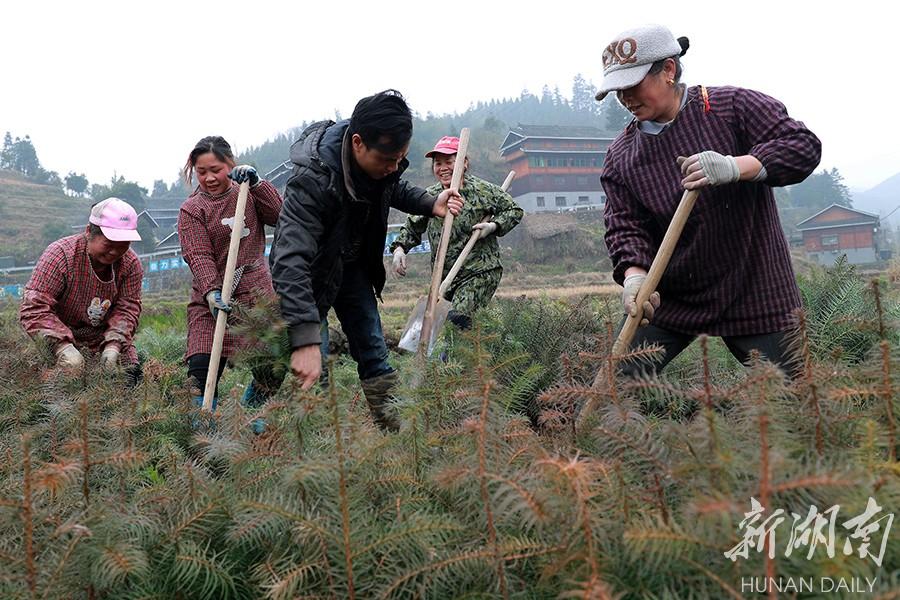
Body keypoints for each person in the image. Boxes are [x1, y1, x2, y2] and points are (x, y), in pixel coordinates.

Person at [596, 24, 821, 377]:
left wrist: (737, 166)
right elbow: (625, 226)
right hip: (673, 294)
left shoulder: (731, 107)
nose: (625, 98)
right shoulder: (622, 155)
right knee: (613, 386)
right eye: (617, 90)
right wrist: (634, 278)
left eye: (633, 85)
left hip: (755, 284)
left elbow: (802, 146)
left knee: (797, 396)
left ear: (668, 70)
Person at [269, 90, 463, 431]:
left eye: (399, 159)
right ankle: (322, 448)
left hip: (353, 267)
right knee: (316, 366)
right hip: (309, 279)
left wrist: (430, 202)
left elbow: (391, 185)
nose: (392, 167)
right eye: (387, 159)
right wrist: (305, 339)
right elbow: (289, 260)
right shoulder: (312, 180)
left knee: (374, 350)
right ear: (358, 143)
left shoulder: (380, 163)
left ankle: (397, 436)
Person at [178, 136, 285, 417]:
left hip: (255, 295)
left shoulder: (248, 192)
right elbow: (198, 254)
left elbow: (279, 215)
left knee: (270, 364)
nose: (209, 178)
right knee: (201, 366)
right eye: (202, 172)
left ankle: (252, 417)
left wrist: (259, 183)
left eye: (216, 170)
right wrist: (212, 292)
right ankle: (201, 425)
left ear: (230, 164)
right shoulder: (192, 209)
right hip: (210, 297)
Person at [389, 136, 523, 330]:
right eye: (438, 163)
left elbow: (514, 211)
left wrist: (492, 226)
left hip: (479, 271)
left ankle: (453, 357)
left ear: (464, 163)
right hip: (444, 278)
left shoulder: (482, 190)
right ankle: (461, 357)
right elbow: (412, 225)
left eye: (449, 162)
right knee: (448, 329)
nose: (443, 168)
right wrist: (400, 249)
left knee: (457, 318)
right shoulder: (431, 197)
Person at [20, 198, 143, 383]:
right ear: (89, 232)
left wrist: (113, 345)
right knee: (63, 386)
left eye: (123, 245)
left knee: (127, 380)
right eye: (109, 244)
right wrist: (63, 348)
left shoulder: (131, 264)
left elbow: (127, 309)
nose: (115, 252)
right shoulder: (60, 256)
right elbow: (34, 309)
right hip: (58, 337)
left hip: (103, 338)